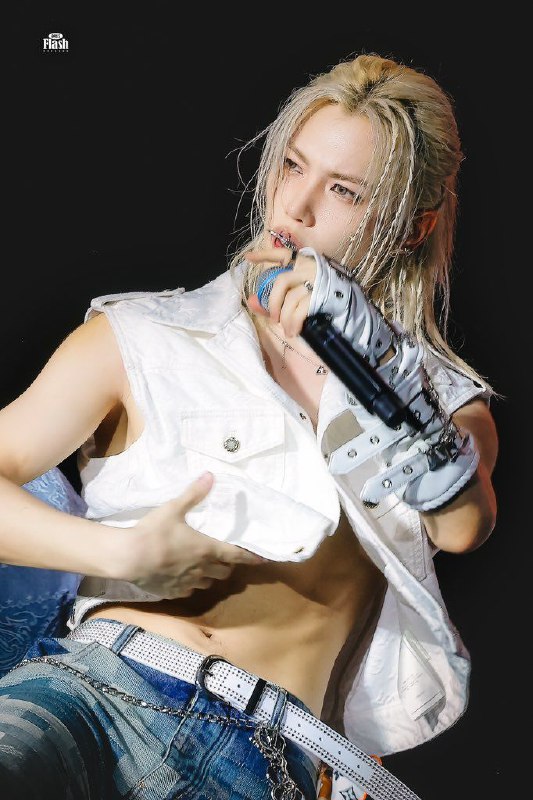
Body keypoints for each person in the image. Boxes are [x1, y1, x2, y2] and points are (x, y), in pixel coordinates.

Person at [0, 51, 498, 800]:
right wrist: (118, 551)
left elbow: (462, 524)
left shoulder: (444, 404)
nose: (295, 209)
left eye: (343, 190)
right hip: (96, 697)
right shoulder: (144, 335)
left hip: (268, 759)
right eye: (291, 167)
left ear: (410, 227)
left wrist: (382, 377)